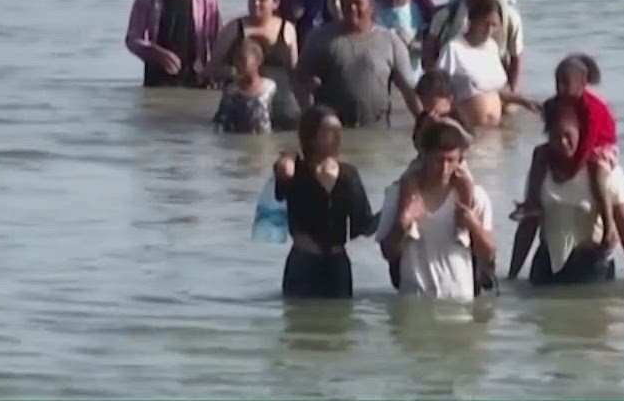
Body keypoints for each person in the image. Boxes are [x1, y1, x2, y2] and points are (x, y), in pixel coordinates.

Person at [506, 95, 624, 284]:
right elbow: (529, 224)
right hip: (546, 267)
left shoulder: (605, 171)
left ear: (581, 133)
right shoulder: (541, 171)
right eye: (555, 136)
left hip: (593, 268)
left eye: (568, 136)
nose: (562, 142)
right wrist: (512, 276)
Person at [508, 54, 620, 270]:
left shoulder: (592, 107)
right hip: (575, 144)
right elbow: (549, 126)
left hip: (601, 145)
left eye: (567, 83)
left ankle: (608, 226)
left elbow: (587, 142)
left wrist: (572, 169)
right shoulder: (556, 103)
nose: (561, 88)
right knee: (539, 154)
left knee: (597, 172)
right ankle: (531, 204)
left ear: (582, 84)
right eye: (558, 82)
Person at [376, 118, 495, 301]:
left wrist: (473, 225)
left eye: (451, 160)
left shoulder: (476, 197)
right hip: (414, 302)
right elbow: (387, 253)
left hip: (459, 302)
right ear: (423, 156)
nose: (444, 169)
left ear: (460, 160)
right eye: (438, 160)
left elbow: (489, 255)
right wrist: (404, 221)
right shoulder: (398, 195)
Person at [273, 105, 377, 298]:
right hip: (303, 263)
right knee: (298, 324)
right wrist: (288, 156)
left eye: (339, 131)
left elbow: (363, 224)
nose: (338, 137)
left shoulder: (349, 174)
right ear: (311, 136)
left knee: (340, 324)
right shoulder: (294, 168)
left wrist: (391, 209)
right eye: (330, 131)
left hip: (338, 265)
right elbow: (282, 181)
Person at [296, 0, 420, 128]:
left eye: (357, 3)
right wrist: (308, 114)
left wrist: (423, 121)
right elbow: (300, 79)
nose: (352, 8)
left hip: (377, 127)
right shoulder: (320, 37)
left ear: (372, 6)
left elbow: (408, 89)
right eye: (346, 4)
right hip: (332, 128)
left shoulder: (390, 41)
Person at [123, 0, 222, 88]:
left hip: (196, 76)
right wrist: (155, 52)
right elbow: (132, 40)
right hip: (157, 78)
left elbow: (217, 40)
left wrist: (215, 71)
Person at [435, 0, 540, 129]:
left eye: (494, 25)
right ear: (472, 20)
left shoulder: (492, 47)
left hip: (496, 129)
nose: (489, 30)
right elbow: (437, 89)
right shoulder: (453, 48)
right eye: (485, 23)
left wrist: (523, 101)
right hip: (467, 129)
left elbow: (494, 90)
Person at [421, 0, 524, 89]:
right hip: (452, 83)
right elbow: (429, 52)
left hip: (494, 82)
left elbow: (516, 59)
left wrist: (513, 91)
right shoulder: (445, 16)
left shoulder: (510, 19)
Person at [214, 0, 300, 124]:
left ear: (275, 3)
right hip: (243, 99)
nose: (255, 4)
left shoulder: (287, 29)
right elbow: (211, 68)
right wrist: (232, 71)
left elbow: (294, 70)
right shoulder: (234, 28)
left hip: (281, 101)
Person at [375, 0, 438, 78]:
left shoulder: (422, 8)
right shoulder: (368, 6)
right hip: (377, 74)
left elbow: (433, 47)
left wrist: (411, 45)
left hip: (411, 77)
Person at [212, 39, 278, 133]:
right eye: (236, 60)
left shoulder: (270, 88)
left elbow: (282, 120)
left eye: (242, 60)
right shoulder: (231, 91)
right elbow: (220, 123)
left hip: (264, 142)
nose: (237, 64)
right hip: (237, 142)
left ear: (258, 61)